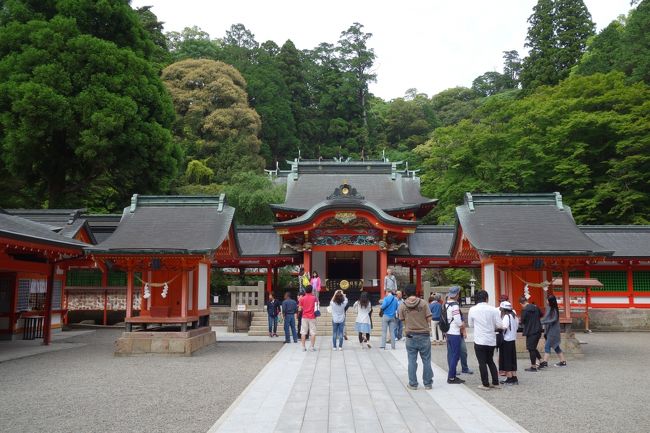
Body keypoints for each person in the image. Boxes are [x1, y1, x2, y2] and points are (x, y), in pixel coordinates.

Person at [398, 284, 433, 390]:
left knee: (412, 360)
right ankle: (428, 383)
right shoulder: (423, 303)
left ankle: (413, 383)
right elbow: (429, 318)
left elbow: (402, 320)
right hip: (424, 334)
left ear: (406, 293)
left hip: (410, 335)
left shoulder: (403, 305)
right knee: (426, 360)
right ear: (416, 291)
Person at [468, 290, 503, 390]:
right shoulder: (493, 309)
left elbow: (470, 324)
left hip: (480, 339)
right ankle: (495, 382)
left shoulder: (473, 309)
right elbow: (499, 324)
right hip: (491, 339)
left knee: (482, 362)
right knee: (490, 360)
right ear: (487, 298)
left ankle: (485, 383)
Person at [540, 288, 567, 368]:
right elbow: (546, 317)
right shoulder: (549, 308)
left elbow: (553, 319)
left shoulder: (554, 309)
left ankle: (545, 362)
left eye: (547, 300)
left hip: (553, 331)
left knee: (547, 346)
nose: (546, 301)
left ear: (551, 301)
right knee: (556, 346)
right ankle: (563, 361)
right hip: (549, 330)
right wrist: (541, 321)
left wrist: (543, 322)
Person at [445, 286, 465, 384]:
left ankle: (452, 375)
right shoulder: (455, 306)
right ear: (457, 294)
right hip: (455, 332)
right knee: (455, 355)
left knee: (453, 354)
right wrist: (462, 326)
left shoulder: (446, 304)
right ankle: (451, 377)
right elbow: (457, 320)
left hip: (448, 331)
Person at [520, 295, 543, 371]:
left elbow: (522, 321)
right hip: (538, 329)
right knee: (533, 347)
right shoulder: (536, 307)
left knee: (531, 349)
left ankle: (533, 366)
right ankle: (542, 362)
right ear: (527, 301)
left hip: (531, 331)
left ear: (521, 303)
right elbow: (541, 315)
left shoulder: (525, 310)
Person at [499, 301, 519, 385]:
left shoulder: (506, 316)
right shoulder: (514, 316)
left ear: (503, 309)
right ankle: (514, 377)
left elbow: (504, 327)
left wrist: (497, 328)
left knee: (506, 359)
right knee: (512, 359)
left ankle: (510, 378)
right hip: (512, 339)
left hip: (506, 340)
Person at [298, 285, 318, 352]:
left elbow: (300, 309)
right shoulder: (314, 298)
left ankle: (303, 347)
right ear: (311, 290)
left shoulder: (302, 298)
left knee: (303, 332)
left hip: (304, 317)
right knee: (313, 332)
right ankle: (312, 347)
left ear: (305, 290)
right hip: (312, 316)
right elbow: (317, 307)